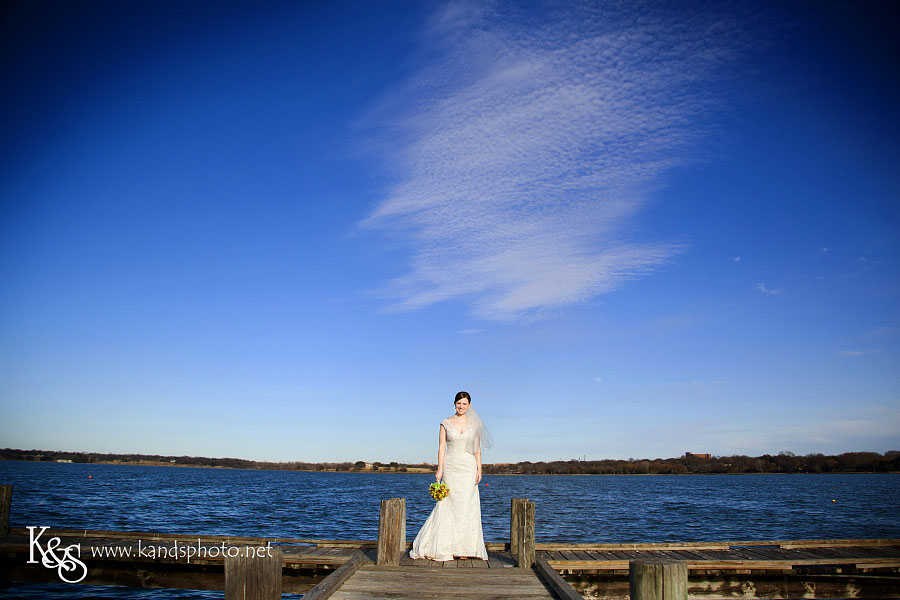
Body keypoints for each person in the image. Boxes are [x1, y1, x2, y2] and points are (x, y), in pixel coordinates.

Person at [409, 391, 493, 561]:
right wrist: (439, 469)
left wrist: (479, 469)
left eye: (464, 404)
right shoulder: (445, 423)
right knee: (448, 505)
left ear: (469, 406)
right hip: (451, 466)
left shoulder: (475, 424)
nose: (461, 406)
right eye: (458, 403)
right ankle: (446, 546)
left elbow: (477, 449)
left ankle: (465, 548)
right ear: (454, 404)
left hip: (468, 467)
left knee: (467, 506)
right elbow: (441, 448)